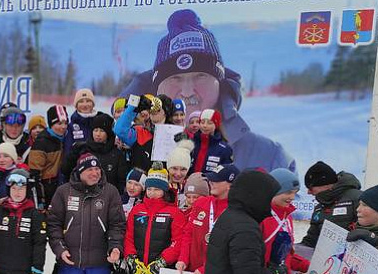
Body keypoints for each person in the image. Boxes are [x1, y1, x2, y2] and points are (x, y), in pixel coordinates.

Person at [121, 9, 295, 173]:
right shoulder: (127, 142)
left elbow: (293, 202)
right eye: (175, 78)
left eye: (200, 76)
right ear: (157, 88)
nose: (187, 92)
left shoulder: (269, 157)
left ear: (220, 83)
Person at [176, 164, 240, 274]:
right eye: (211, 178)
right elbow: (188, 233)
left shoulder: (237, 212)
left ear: (230, 185)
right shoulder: (201, 203)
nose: (211, 182)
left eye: (217, 179)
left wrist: (206, 269)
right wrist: (183, 258)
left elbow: (231, 250)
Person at [61, 111, 128, 195]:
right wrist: (73, 154)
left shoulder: (117, 154)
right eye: (95, 130)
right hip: (83, 195)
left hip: (107, 197)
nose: (98, 134)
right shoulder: (82, 149)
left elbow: (121, 182)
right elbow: (65, 171)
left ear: (108, 133)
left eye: (102, 131)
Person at [28, 105, 68, 207]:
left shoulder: (66, 138)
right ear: (51, 124)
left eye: (65, 123)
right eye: (59, 123)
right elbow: (35, 174)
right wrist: (40, 201)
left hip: (61, 187)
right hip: (47, 191)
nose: (63, 127)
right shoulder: (42, 142)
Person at [190, 109, 233, 175]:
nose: (205, 126)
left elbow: (226, 173)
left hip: (212, 184)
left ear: (216, 125)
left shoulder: (225, 149)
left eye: (209, 123)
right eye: (202, 122)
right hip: (190, 183)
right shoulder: (191, 143)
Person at [65, 88, 97, 158]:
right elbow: (68, 153)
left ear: (93, 104)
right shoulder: (70, 127)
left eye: (88, 101)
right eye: (81, 101)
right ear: (76, 105)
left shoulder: (99, 123)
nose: (85, 105)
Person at [166, 140, 193, 208]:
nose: (178, 174)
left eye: (183, 169)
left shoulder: (191, 188)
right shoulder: (160, 186)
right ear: (168, 168)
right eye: (174, 168)